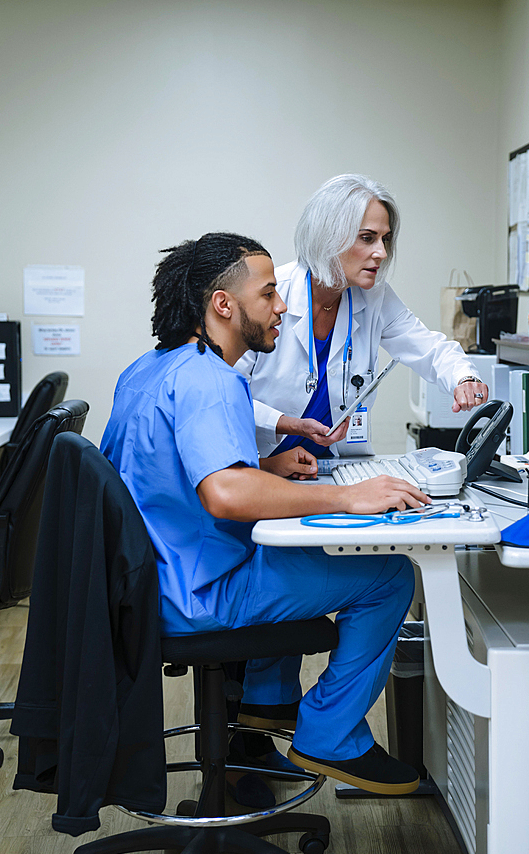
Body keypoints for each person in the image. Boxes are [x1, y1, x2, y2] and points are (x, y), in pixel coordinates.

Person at [100, 232, 430, 795]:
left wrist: (265, 468)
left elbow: (165, 469)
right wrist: (350, 495)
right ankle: (331, 736)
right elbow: (224, 496)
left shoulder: (150, 368)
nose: (282, 307)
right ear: (223, 305)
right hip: (197, 596)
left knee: (295, 544)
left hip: (144, 585)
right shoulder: (213, 379)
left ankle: (269, 705)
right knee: (389, 575)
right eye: (270, 293)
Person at [235, 174, 490, 463]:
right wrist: (288, 423)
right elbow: (226, 393)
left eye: (385, 239)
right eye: (367, 238)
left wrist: (464, 378)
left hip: (336, 466)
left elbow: (428, 348)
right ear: (328, 236)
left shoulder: (373, 296)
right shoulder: (271, 292)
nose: (381, 252)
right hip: (262, 464)